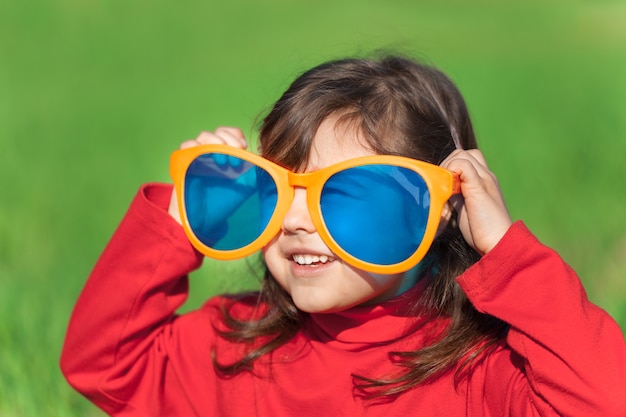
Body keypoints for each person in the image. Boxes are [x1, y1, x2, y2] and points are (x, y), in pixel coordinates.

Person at [60, 55, 626, 416]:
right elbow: (105, 364)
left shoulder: (481, 375)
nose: (296, 221)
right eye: (278, 191)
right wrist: (183, 215)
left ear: (443, 211)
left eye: (348, 198)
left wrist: (509, 258)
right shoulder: (238, 350)